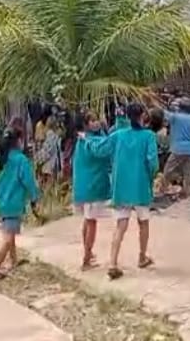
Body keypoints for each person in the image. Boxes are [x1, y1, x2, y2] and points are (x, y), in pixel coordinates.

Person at [107, 103, 159, 280]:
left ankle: (113, 263)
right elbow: (153, 162)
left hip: (121, 186)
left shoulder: (118, 135)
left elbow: (102, 147)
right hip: (141, 186)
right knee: (143, 222)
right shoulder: (149, 136)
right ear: (142, 115)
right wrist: (151, 176)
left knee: (121, 225)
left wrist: (86, 139)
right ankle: (142, 257)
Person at [0, 128, 42, 281]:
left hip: (3, 200)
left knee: (9, 233)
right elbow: (29, 181)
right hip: (13, 201)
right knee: (7, 238)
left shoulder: (4, 157)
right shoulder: (21, 159)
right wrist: (35, 197)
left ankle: (14, 261)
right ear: (19, 141)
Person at [72, 112, 111, 271]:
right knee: (91, 222)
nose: (97, 123)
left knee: (87, 220)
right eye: (92, 120)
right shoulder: (89, 141)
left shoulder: (84, 139)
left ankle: (88, 253)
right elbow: (104, 149)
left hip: (84, 187)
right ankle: (86, 259)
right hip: (92, 187)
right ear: (86, 124)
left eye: (97, 119)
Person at [163, 98, 190, 199]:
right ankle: (185, 191)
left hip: (178, 148)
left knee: (168, 169)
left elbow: (163, 113)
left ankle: (164, 187)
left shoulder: (175, 117)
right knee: (187, 172)